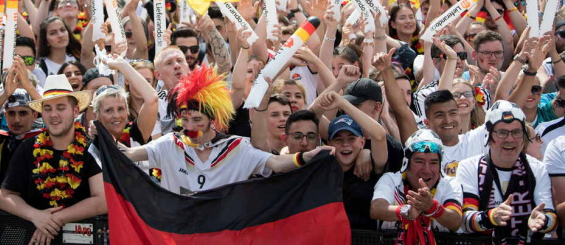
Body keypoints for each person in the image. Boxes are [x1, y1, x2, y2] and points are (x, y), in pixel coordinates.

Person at [119, 65, 325, 194]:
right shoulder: (170, 144)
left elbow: (277, 163)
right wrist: (100, 134)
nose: (190, 127)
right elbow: (127, 154)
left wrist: (306, 157)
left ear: (213, 120)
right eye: (185, 120)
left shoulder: (237, 147)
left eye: (197, 120)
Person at [0, 75, 106, 245]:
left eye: (61, 108)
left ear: (76, 111)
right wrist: (36, 216)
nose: (53, 114)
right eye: (47, 108)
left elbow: (102, 201)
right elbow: (4, 197)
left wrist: (53, 220)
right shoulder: (27, 148)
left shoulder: (90, 148)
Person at [456, 101, 557, 242]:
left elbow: (551, 217)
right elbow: (465, 221)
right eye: (502, 133)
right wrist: (491, 217)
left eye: (516, 132)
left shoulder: (537, 168)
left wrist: (543, 221)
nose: (510, 139)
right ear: (488, 136)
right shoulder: (469, 167)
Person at [370, 130, 463, 243]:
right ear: (406, 162)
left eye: (433, 163)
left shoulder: (450, 184)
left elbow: (455, 222)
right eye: (419, 161)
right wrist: (407, 211)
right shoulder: (391, 180)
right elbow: (376, 209)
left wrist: (431, 207)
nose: (427, 170)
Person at [313, 91, 388, 230]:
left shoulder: (371, 167)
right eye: (338, 139)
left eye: (351, 138)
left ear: (362, 142)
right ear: (329, 143)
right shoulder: (322, 169)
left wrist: (343, 103)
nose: (345, 144)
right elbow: (310, 116)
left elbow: (380, 136)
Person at [0, 63, 41, 188]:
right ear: (5, 116)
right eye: (11, 113)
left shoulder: (44, 138)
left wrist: (29, 87)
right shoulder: (1, 139)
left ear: (34, 116)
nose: (16, 120)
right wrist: (4, 95)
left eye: (23, 113)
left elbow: (52, 117)